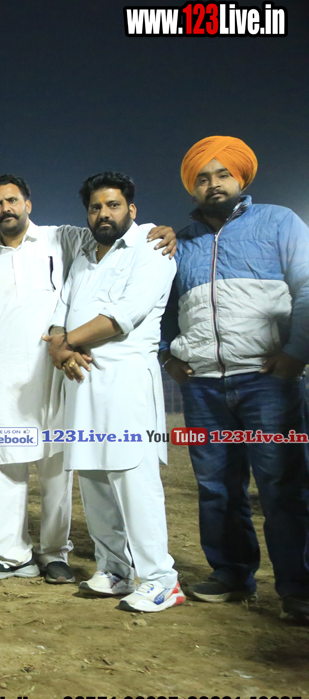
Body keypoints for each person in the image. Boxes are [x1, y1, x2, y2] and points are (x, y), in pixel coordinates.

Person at [0, 175, 176, 584]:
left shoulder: (61, 238)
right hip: (0, 374)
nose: (6, 208)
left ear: (28, 203)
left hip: (56, 370)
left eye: (13, 200)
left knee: (57, 466)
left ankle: (54, 553)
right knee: (5, 464)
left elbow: (119, 234)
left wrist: (163, 231)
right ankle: (10, 554)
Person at [161, 136, 309, 623]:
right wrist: (167, 356)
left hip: (268, 380)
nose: (213, 184)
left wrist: (296, 354)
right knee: (216, 486)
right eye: (203, 177)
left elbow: (307, 287)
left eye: (223, 174)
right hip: (203, 385)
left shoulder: (279, 222)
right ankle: (231, 574)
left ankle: (298, 588)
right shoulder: (181, 244)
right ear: (192, 186)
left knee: (282, 485)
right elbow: (163, 309)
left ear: (240, 177)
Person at [45, 171, 183, 612]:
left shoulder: (151, 246)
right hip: (81, 382)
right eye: (95, 207)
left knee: (133, 480)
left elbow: (124, 315)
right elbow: (61, 310)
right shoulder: (85, 257)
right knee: (93, 479)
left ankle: (161, 579)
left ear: (131, 209)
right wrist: (60, 346)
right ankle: (114, 570)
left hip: (126, 382)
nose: (103, 213)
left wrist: (65, 344)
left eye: (113, 205)